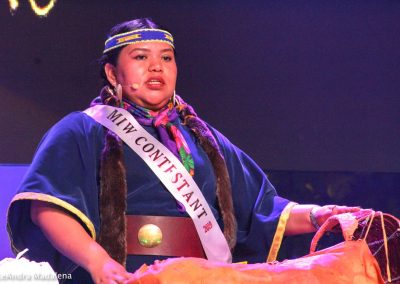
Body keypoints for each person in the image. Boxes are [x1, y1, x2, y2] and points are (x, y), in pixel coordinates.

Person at [7, 18, 360, 283]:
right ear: (112, 72)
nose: (157, 66)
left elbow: (263, 208)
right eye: (141, 57)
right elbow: (48, 208)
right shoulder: (81, 129)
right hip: (123, 276)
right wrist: (98, 262)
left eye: (167, 57)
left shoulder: (205, 139)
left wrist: (319, 214)